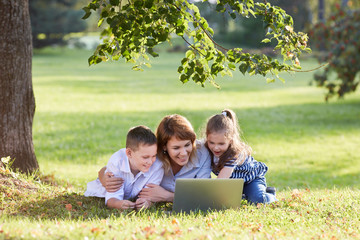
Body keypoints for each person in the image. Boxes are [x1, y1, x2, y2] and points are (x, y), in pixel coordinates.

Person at [98, 114, 212, 203]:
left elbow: (205, 195)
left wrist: (168, 197)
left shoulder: (202, 154)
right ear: (164, 147)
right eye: (176, 148)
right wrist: (103, 176)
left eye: (187, 145)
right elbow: (122, 162)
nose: (183, 153)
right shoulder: (152, 157)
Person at [205, 109, 276, 204]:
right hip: (232, 183)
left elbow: (222, 179)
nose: (216, 147)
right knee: (228, 202)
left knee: (258, 200)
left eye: (221, 144)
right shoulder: (206, 149)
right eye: (211, 142)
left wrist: (208, 197)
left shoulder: (234, 153)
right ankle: (242, 195)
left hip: (251, 180)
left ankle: (270, 194)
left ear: (230, 140)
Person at [84, 125, 164, 210]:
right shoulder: (117, 162)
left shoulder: (157, 166)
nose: (150, 161)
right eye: (145, 157)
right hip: (102, 191)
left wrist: (147, 202)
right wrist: (118, 204)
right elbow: (112, 198)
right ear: (129, 153)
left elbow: (150, 195)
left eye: (154, 156)